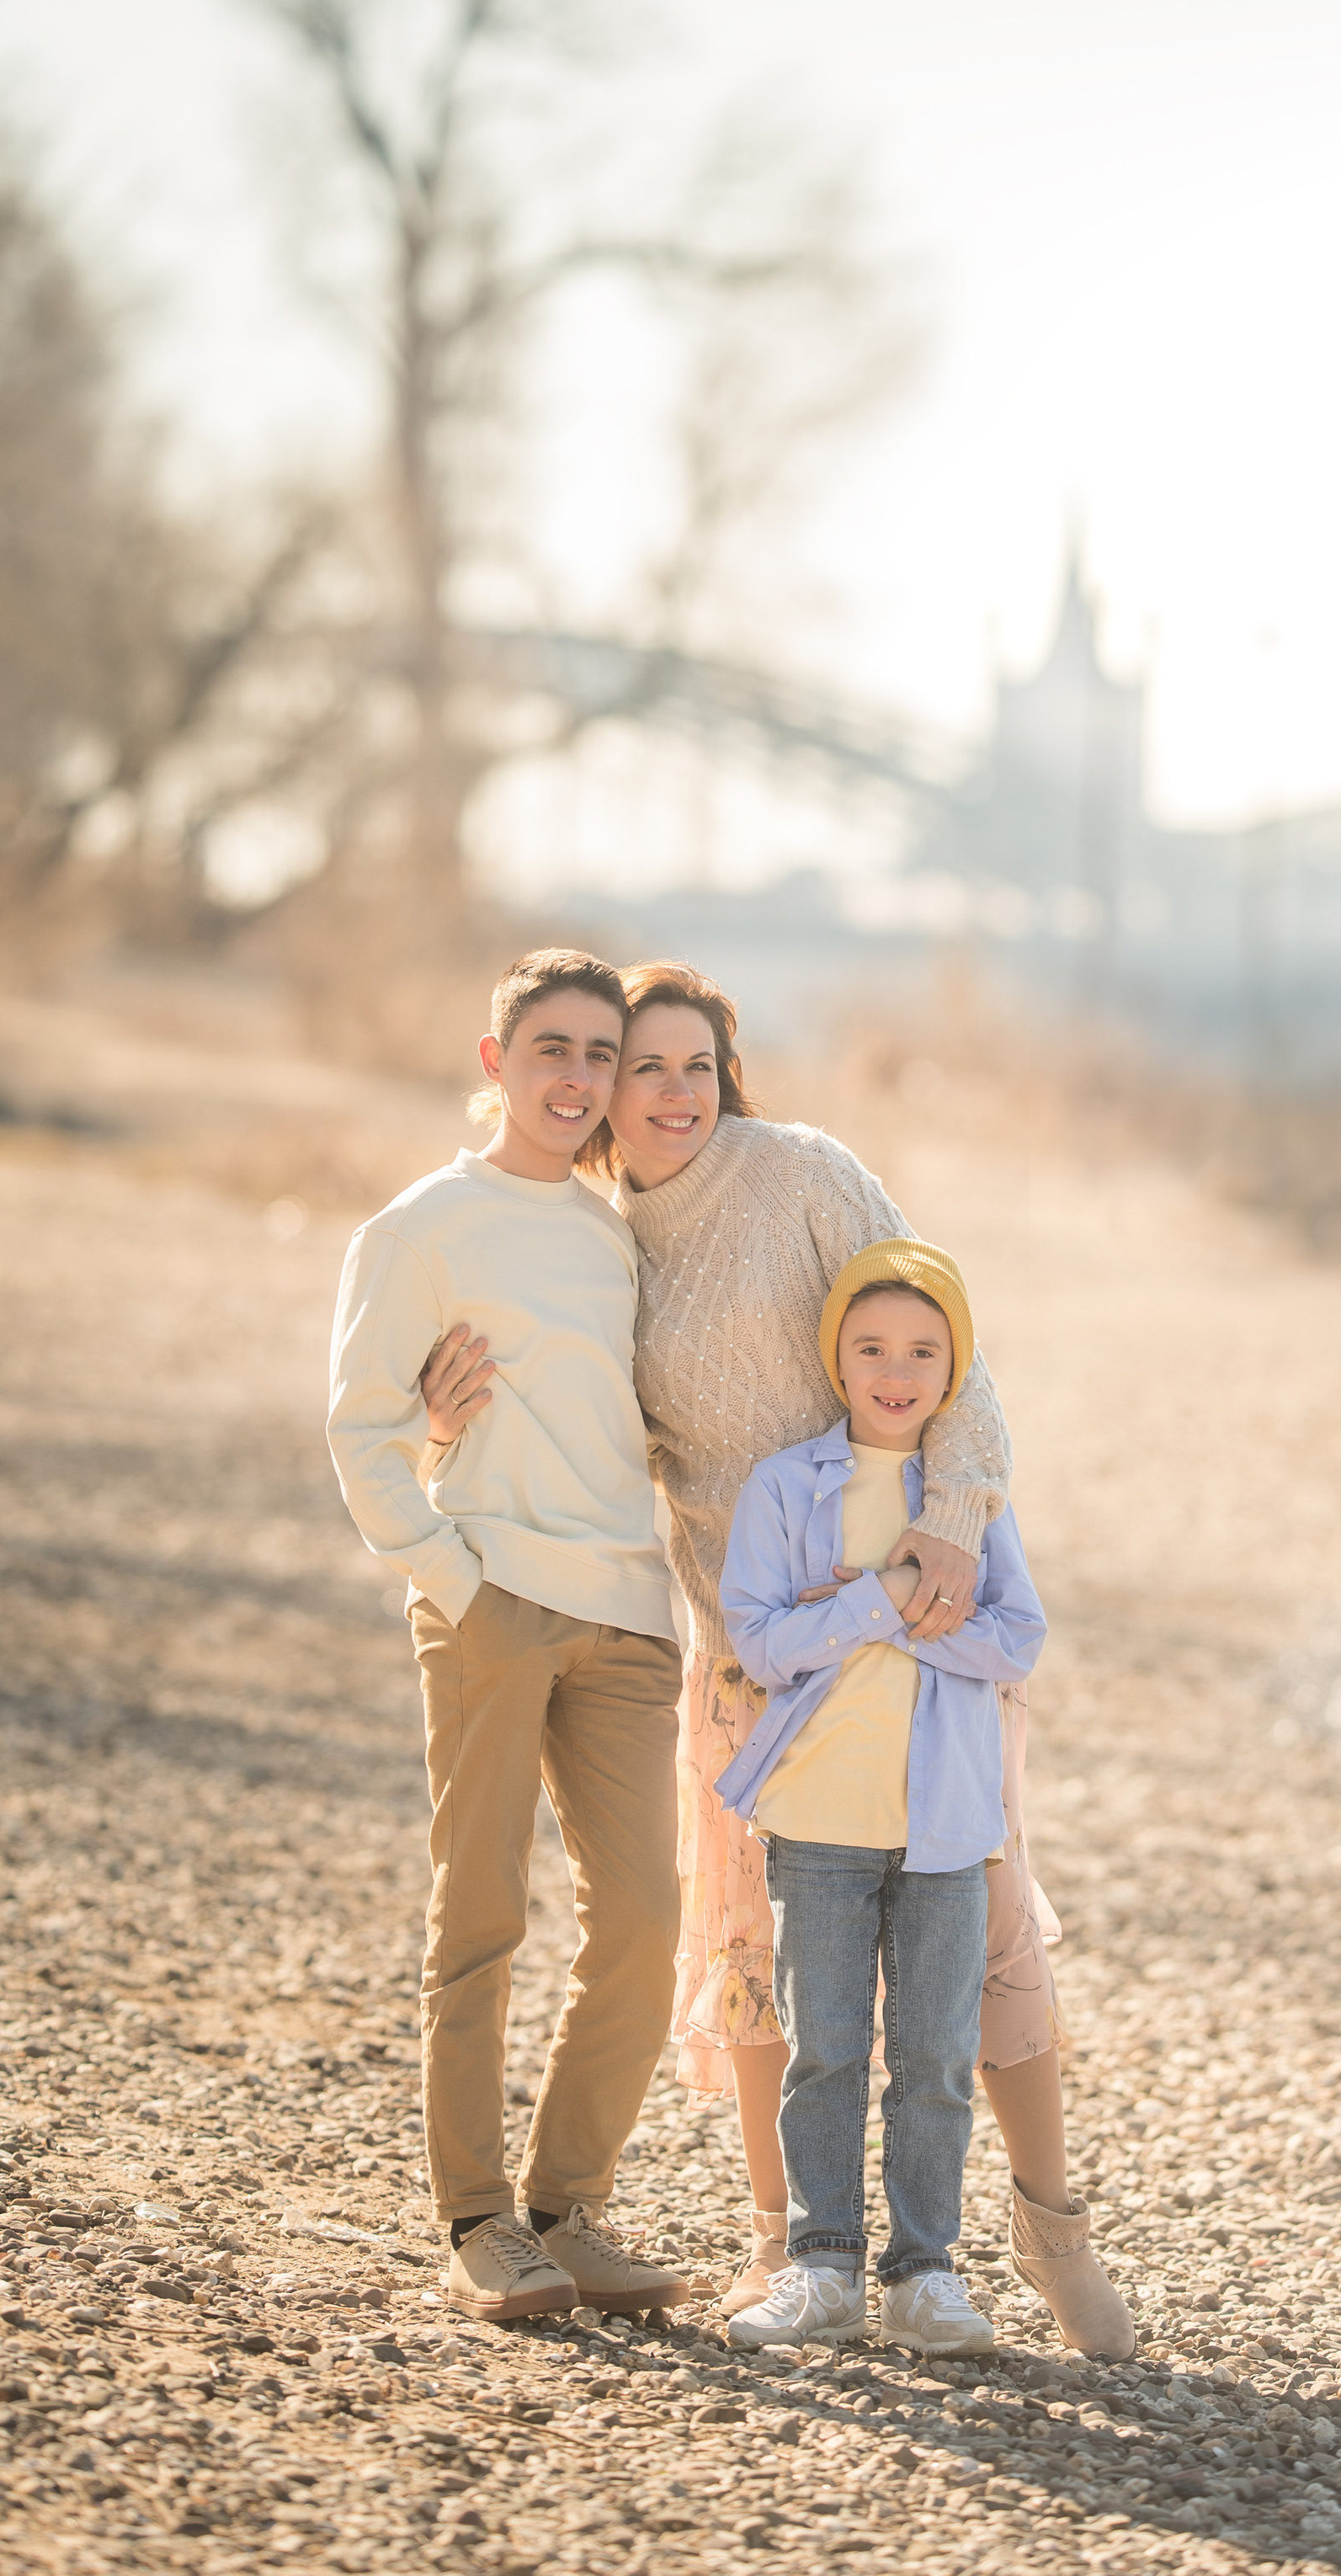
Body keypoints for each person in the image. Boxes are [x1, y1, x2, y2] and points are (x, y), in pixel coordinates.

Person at [422, 959, 1133, 2355]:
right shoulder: (598, 1237)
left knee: (979, 1930)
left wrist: (944, 1526)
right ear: (600, 1092)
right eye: (644, 1070)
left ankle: (1051, 2234)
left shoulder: (804, 1173)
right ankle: (789, 2253)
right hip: (753, 1652)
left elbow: (955, 1362)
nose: (672, 1094)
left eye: (697, 1066)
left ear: (725, 1076)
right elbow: (561, 1420)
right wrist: (445, 1430)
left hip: (926, 1623)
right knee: (757, 1952)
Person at [326, 949, 691, 2324]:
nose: (581, 1078)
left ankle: (567, 2205)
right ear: (497, 1060)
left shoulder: (617, 1227)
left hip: (627, 1613)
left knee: (646, 1920)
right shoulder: (420, 1225)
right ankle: (479, 2218)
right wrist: (450, 1571)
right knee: (479, 1915)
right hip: (490, 1599)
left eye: (603, 1054)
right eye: (555, 1049)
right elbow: (359, 1428)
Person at [716, 1243, 1046, 2354]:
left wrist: (886, 1608)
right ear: (837, 1360)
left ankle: (924, 2275)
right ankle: (821, 2268)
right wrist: (887, 1596)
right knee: (826, 2047)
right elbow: (762, 1640)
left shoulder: (967, 1501)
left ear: (953, 1370)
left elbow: (1017, 1636)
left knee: (936, 2055)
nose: (894, 1369)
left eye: (921, 1349)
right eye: (870, 1348)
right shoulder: (785, 1485)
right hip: (818, 1820)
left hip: (947, 1827)